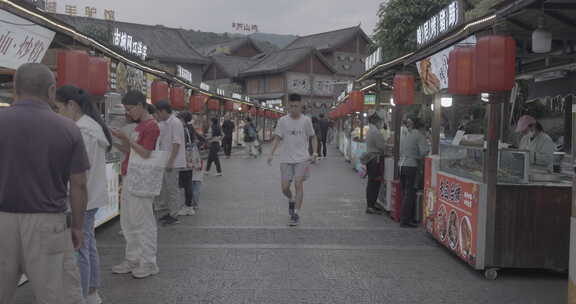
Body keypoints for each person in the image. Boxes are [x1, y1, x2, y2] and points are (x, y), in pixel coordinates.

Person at [0, 63, 89, 304]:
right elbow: (79, 184)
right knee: (57, 296)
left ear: (15, 89)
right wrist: (78, 227)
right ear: (51, 91)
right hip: (47, 224)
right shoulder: (68, 128)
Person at [54, 85, 112, 304]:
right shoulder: (92, 127)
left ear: (72, 105)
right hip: (92, 196)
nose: (56, 114)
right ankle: (91, 292)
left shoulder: (82, 131)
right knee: (88, 245)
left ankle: (81, 296)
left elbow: (78, 174)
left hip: (83, 199)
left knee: (79, 251)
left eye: (58, 108)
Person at [110, 90, 161, 279]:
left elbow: (146, 153)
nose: (128, 113)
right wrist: (116, 141)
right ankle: (133, 258)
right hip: (131, 174)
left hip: (141, 178)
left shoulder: (151, 126)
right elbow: (132, 151)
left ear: (141, 105)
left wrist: (126, 139)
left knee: (142, 221)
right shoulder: (141, 126)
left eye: (130, 109)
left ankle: (148, 262)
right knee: (128, 221)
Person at [268, 94, 318, 226]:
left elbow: (313, 137)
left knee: (298, 183)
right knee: (284, 188)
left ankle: (296, 213)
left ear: (301, 106)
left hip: (302, 158)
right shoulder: (282, 121)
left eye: (296, 106)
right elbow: (277, 138)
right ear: (288, 106)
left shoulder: (306, 120)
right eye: (291, 106)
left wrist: (315, 152)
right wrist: (271, 153)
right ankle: (291, 199)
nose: (294, 109)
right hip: (286, 159)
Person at [155, 100, 187, 226]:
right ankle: (170, 212)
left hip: (172, 162)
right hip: (166, 160)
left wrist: (170, 161)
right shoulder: (165, 123)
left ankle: (174, 215)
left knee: (172, 188)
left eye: (158, 113)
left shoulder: (175, 123)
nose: (157, 115)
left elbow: (176, 143)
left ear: (163, 111)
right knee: (167, 188)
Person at [399, 117, 430, 228]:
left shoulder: (407, 134)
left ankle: (405, 217)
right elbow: (424, 151)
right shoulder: (419, 135)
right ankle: (405, 219)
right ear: (421, 127)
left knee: (405, 193)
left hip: (402, 165)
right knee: (410, 193)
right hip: (412, 166)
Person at [176, 111, 205, 215]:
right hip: (191, 159)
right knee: (188, 182)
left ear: (182, 119)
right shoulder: (190, 128)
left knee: (185, 183)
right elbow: (202, 139)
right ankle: (189, 206)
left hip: (184, 159)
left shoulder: (183, 129)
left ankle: (187, 206)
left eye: (178, 118)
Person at [364, 112, 389, 215]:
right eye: (380, 121)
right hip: (375, 159)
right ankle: (371, 205)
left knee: (371, 182)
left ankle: (371, 204)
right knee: (374, 182)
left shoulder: (370, 131)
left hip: (370, 158)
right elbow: (382, 146)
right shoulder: (376, 132)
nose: (381, 123)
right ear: (376, 121)